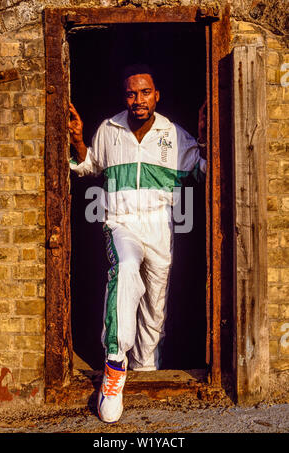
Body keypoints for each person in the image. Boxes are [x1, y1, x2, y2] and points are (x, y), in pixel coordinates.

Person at [68, 64, 207, 423]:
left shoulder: (174, 135)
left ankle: (145, 371)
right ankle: (114, 367)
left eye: (145, 92)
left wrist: (207, 137)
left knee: (154, 307)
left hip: (160, 225)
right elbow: (88, 168)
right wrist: (79, 140)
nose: (138, 99)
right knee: (126, 271)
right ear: (124, 96)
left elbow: (203, 169)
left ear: (156, 95)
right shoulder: (110, 129)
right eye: (132, 93)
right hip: (121, 222)